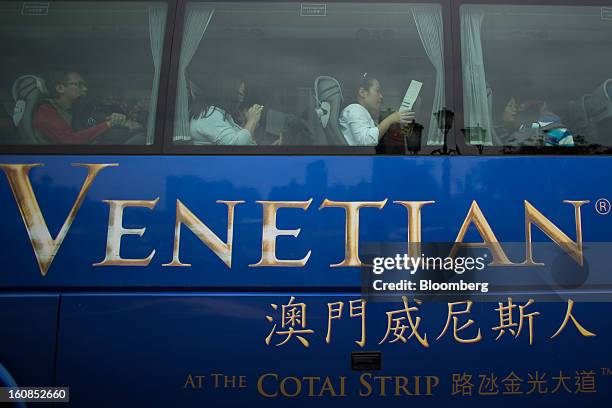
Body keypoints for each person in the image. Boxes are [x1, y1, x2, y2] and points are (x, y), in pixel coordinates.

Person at [33, 71, 131, 144]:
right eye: (79, 85)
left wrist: (113, 118)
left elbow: (93, 120)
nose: (85, 89)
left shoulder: (76, 109)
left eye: (85, 85)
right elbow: (69, 140)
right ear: (60, 88)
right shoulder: (46, 110)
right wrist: (108, 124)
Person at [339, 73, 415, 146]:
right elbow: (367, 141)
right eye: (377, 91)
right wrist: (391, 119)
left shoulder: (363, 113)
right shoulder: (354, 109)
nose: (381, 96)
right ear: (362, 92)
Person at [189, 78, 263, 145]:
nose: (241, 100)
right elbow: (238, 146)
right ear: (228, 93)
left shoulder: (217, 114)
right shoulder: (210, 115)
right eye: (239, 94)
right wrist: (252, 120)